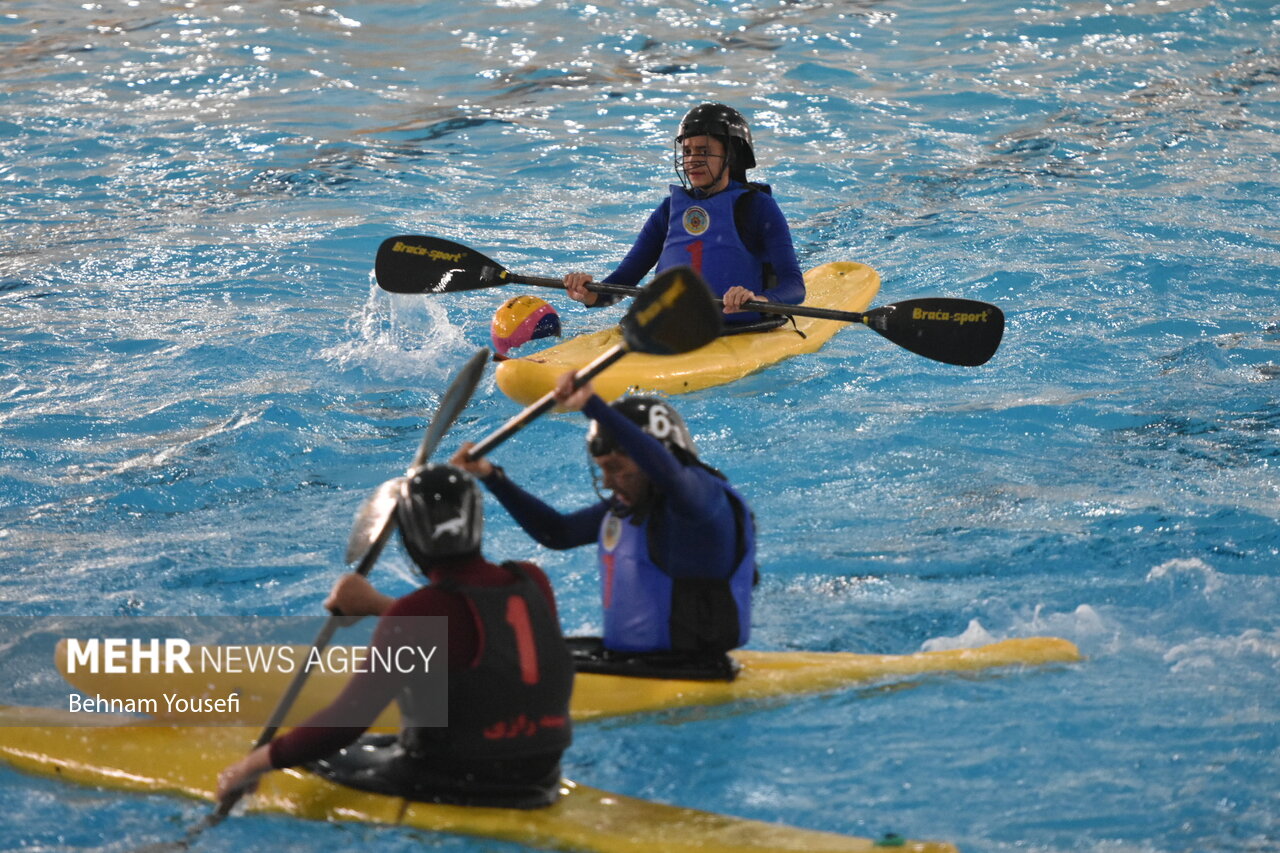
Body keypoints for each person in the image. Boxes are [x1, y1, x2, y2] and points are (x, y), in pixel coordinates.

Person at [216, 464, 573, 810]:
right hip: (541, 770)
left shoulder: (419, 613)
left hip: (467, 780)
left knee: (318, 757)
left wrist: (252, 765)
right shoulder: (532, 580)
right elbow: (469, 631)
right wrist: (374, 605)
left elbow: (346, 722)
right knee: (388, 741)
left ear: (410, 535)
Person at [451, 373, 756, 680]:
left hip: (687, 672)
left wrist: (592, 405)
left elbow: (671, 475)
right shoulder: (633, 506)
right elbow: (558, 533)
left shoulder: (703, 502)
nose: (608, 481)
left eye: (616, 467)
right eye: (603, 470)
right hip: (634, 662)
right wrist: (491, 476)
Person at [562, 102, 805, 334]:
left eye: (704, 151)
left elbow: (794, 286)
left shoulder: (757, 207)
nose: (691, 161)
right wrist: (588, 293)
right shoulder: (669, 210)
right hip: (670, 328)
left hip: (736, 330)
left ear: (730, 155)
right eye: (687, 151)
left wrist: (757, 299)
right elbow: (623, 281)